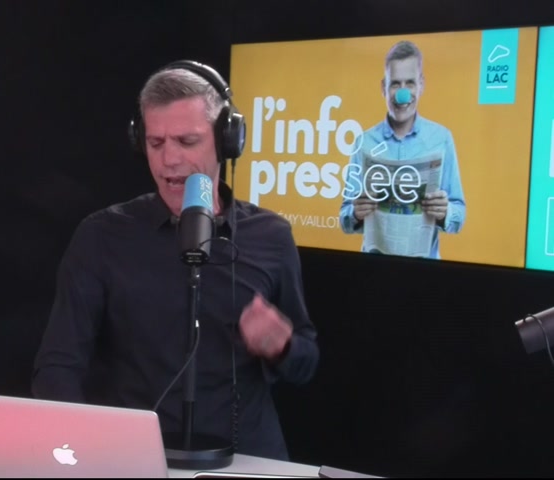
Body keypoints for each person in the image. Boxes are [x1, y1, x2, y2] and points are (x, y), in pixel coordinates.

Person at [31, 60, 319, 461]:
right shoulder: (101, 236)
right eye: (156, 143)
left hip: (247, 458)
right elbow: (58, 366)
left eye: (187, 141)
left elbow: (306, 363)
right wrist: (72, 455)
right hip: (133, 458)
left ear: (225, 141)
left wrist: (281, 345)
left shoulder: (271, 235)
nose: (169, 159)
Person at [339, 40, 466, 259]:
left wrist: (446, 212)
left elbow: (459, 214)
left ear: (421, 85)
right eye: (395, 84)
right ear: (384, 87)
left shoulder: (442, 138)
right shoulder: (364, 142)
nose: (403, 94)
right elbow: (345, 219)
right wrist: (355, 213)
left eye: (410, 83)